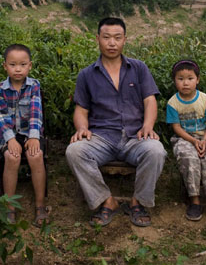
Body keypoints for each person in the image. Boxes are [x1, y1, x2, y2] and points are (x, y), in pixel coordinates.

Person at [65, 17, 166, 227]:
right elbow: (81, 110)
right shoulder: (86, 75)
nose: (112, 43)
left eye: (117, 38)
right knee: (74, 151)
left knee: (156, 150)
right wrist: (82, 128)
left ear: (124, 40)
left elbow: (150, 101)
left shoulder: (138, 68)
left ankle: (138, 202)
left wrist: (148, 126)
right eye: (107, 37)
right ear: (98, 39)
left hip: (135, 136)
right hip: (102, 137)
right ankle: (106, 201)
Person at [166, 59, 206, 222]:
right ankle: (194, 201)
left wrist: (204, 140)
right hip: (184, 138)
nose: (185, 83)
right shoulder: (173, 103)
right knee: (189, 157)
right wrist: (194, 142)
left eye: (190, 78)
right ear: (175, 81)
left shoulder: (205, 100)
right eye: (180, 79)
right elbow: (177, 128)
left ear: (197, 80)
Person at [0, 43, 49, 227]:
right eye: (13, 64)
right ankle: (9, 206)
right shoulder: (0, 89)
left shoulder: (34, 86)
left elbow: (36, 112)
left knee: (36, 156)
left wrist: (34, 137)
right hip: (9, 134)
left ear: (30, 66)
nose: (18, 69)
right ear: (5, 66)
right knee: (12, 157)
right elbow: (0, 117)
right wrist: (10, 139)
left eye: (23, 64)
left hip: (29, 131)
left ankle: (40, 204)